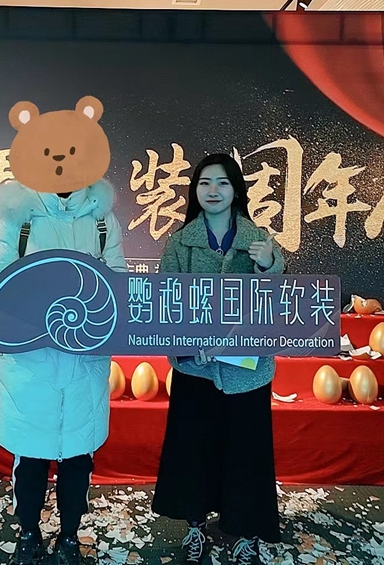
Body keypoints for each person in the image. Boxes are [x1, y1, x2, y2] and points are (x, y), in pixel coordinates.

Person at [0, 96, 127, 565]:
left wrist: (95, 318)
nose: (62, 162)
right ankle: (28, 533)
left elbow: (118, 282)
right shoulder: (19, 217)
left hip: (84, 360)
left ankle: (69, 535)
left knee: (78, 456)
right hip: (31, 362)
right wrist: (31, 314)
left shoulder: (102, 220)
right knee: (30, 455)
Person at [151, 153, 284, 565]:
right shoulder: (180, 243)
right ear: (194, 191)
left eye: (223, 182)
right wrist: (191, 346)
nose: (213, 190)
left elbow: (278, 302)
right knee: (194, 452)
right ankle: (196, 527)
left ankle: (245, 533)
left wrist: (268, 265)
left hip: (247, 374)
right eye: (205, 182)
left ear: (236, 190)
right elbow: (166, 304)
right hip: (196, 371)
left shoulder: (259, 239)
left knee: (245, 455)